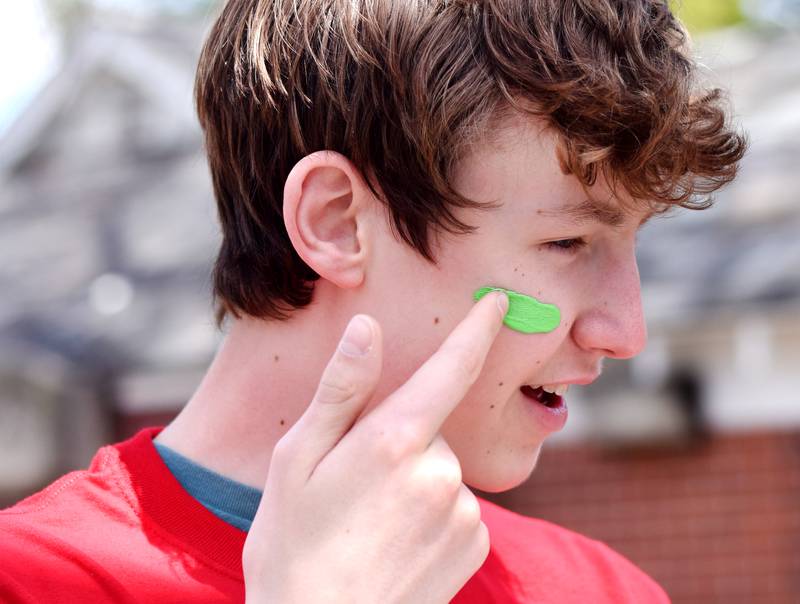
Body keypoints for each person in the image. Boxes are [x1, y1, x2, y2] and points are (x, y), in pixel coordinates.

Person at [0, 0, 746, 602]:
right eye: (568, 243)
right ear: (336, 221)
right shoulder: (33, 581)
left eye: (632, 244)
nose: (627, 331)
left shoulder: (602, 592)